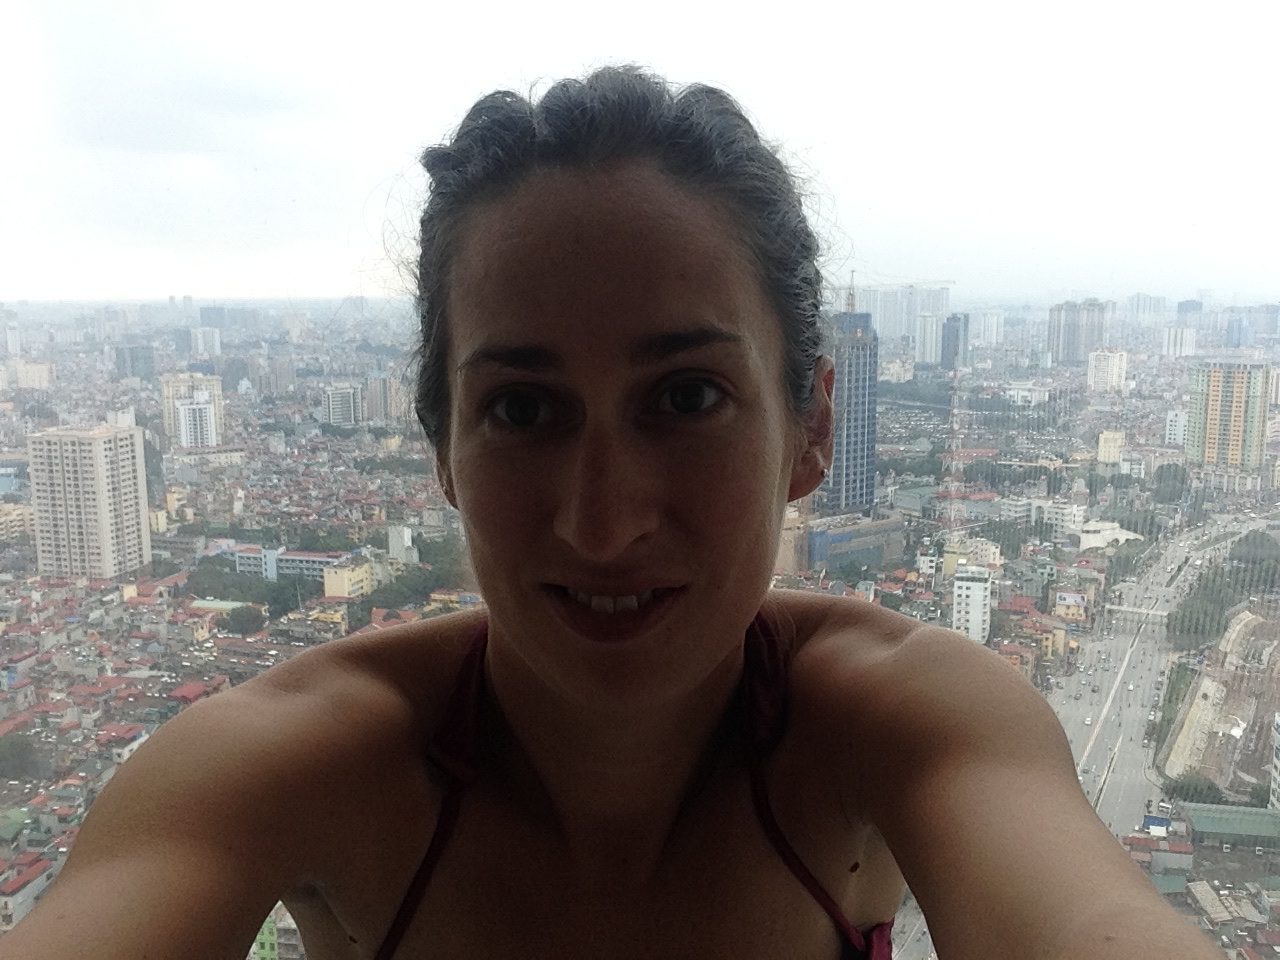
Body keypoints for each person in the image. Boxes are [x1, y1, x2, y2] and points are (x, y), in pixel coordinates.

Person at [9, 67, 1219, 960]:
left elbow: (1089, 919)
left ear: (811, 428)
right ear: (439, 445)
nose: (601, 522)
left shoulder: (897, 722)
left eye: (685, 397)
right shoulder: (295, 761)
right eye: (525, 411)